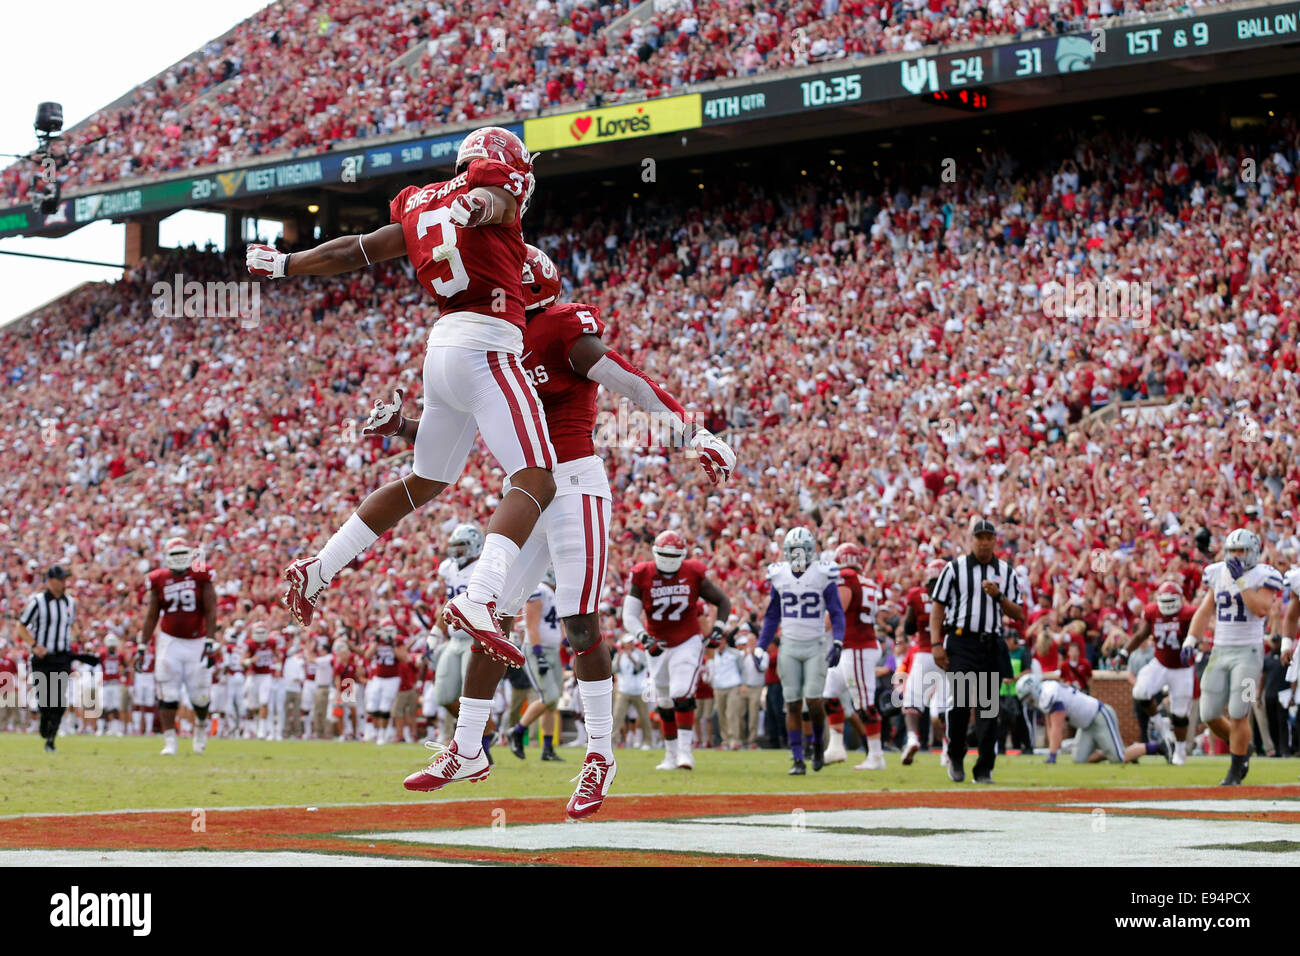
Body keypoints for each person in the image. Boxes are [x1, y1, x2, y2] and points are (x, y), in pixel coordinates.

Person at [376, 244, 732, 814]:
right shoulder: (495, 343)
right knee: (489, 618)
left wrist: (694, 433)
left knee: (578, 618)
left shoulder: (559, 328)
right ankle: (468, 745)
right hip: (526, 488)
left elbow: (629, 381)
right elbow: (459, 432)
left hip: (574, 485)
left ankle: (599, 755)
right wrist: (404, 428)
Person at [253, 127, 552, 684]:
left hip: (441, 349)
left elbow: (353, 249)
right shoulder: (490, 187)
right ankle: (482, 596)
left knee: (425, 481)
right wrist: (477, 204)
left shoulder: (418, 201)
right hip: (487, 340)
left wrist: (286, 265)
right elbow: (492, 200)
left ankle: (320, 568)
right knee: (536, 480)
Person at [626, 530, 732, 771]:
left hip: (687, 640)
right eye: (663, 554)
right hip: (657, 643)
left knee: (681, 691)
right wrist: (643, 637)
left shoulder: (692, 572)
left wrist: (718, 627)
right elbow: (629, 614)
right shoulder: (643, 573)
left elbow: (723, 601)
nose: (668, 559)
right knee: (663, 700)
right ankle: (671, 755)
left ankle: (686, 753)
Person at [929, 518, 1025, 784]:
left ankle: (984, 768)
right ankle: (956, 757)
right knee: (959, 705)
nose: (984, 542)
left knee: (987, 710)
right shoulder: (954, 569)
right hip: (961, 642)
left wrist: (998, 596)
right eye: (979, 537)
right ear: (971, 540)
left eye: (988, 538)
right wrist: (936, 644)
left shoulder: (1005, 571)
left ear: (995, 541)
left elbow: (1018, 613)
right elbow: (937, 609)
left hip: (989, 644)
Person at [1186, 528, 1283, 785]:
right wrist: (1191, 638)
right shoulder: (1217, 572)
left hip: (1249, 652)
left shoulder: (1264, 574)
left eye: (1242, 550)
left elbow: (1261, 608)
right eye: (1232, 551)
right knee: (1208, 714)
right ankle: (1243, 747)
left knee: (1240, 710)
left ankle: (1235, 771)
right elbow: (1206, 610)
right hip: (1219, 650)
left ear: (1254, 552)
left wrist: (1241, 581)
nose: (1237, 555)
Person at [757, 527, 845, 775]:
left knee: (814, 701)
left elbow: (836, 612)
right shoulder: (779, 574)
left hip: (815, 644)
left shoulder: (822, 574)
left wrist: (837, 641)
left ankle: (817, 744)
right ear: (786, 552)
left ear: (811, 551)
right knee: (792, 703)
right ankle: (797, 758)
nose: (797, 555)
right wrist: (761, 646)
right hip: (789, 645)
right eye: (793, 551)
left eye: (801, 550)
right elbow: (773, 615)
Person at [141, 538, 216, 755]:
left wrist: (210, 640)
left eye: (181, 553)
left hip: (197, 640)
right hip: (170, 640)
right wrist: (142, 645)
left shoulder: (201, 574)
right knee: (167, 692)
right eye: (173, 554)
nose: (178, 558)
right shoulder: (160, 579)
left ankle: (201, 727)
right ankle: (170, 742)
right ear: (166, 557)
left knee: (200, 696)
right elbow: (152, 614)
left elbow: (211, 609)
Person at [821, 541, 886, 770]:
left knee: (865, 705)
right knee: (828, 693)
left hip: (857, 647)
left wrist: (819, 628)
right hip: (854, 647)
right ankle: (836, 747)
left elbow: (838, 610)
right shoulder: (868, 581)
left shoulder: (847, 578)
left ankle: (876, 756)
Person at [1117, 580, 1195, 765]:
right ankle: (1163, 730)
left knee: (1180, 715)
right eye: (1164, 602)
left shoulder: (1188, 614)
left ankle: (1180, 751)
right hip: (1160, 663)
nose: (1168, 607)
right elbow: (1141, 634)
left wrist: (1194, 644)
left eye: (1171, 602)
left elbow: (1197, 633)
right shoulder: (1152, 611)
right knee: (1140, 691)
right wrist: (1124, 652)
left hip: (1182, 668)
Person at [16, 566, 91, 752]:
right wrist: (34, 645)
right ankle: (44, 719)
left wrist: (78, 635)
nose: (64, 583)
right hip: (42, 658)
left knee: (59, 700)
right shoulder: (37, 602)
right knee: (45, 699)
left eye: (65, 579)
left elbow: (71, 624)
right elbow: (21, 626)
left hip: (61, 657)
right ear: (49, 581)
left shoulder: (70, 602)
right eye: (60, 579)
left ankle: (50, 740)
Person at [1017, 674, 1169, 764]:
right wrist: (1052, 751)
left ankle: (1158, 747)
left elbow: (1057, 727)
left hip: (1099, 715)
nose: (1030, 701)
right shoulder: (1046, 692)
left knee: (1119, 758)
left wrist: (1052, 755)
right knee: (1079, 759)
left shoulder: (1048, 694)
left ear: (1034, 689)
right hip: (1086, 725)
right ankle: (1115, 752)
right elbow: (1051, 727)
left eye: (1029, 697)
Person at [506, 568, 566, 761]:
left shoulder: (554, 594)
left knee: (552, 702)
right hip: (537, 650)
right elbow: (532, 626)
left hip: (552, 649)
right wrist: (539, 654)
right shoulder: (539, 590)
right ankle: (517, 730)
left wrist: (566, 642)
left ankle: (547, 750)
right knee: (549, 696)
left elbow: (556, 625)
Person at [899, 560, 949, 765]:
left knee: (912, 702)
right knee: (945, 708)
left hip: (924, 654)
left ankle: (912, 738)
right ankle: (947, 749)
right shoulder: (954, 595)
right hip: (947, 655)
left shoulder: (917, 595)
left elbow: (909, 628)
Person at [611, 634, 651, 748]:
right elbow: (613, 670)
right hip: (624, 690)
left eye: (631, 642)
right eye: (627, 643)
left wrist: (631, 658)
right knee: (617, 717)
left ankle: (647, 741)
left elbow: (639, 668)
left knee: (644, 718)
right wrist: (618, 658)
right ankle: (613, 741)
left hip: (640, 690)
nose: (629, 644)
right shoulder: (619, 655)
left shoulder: (640, 654)